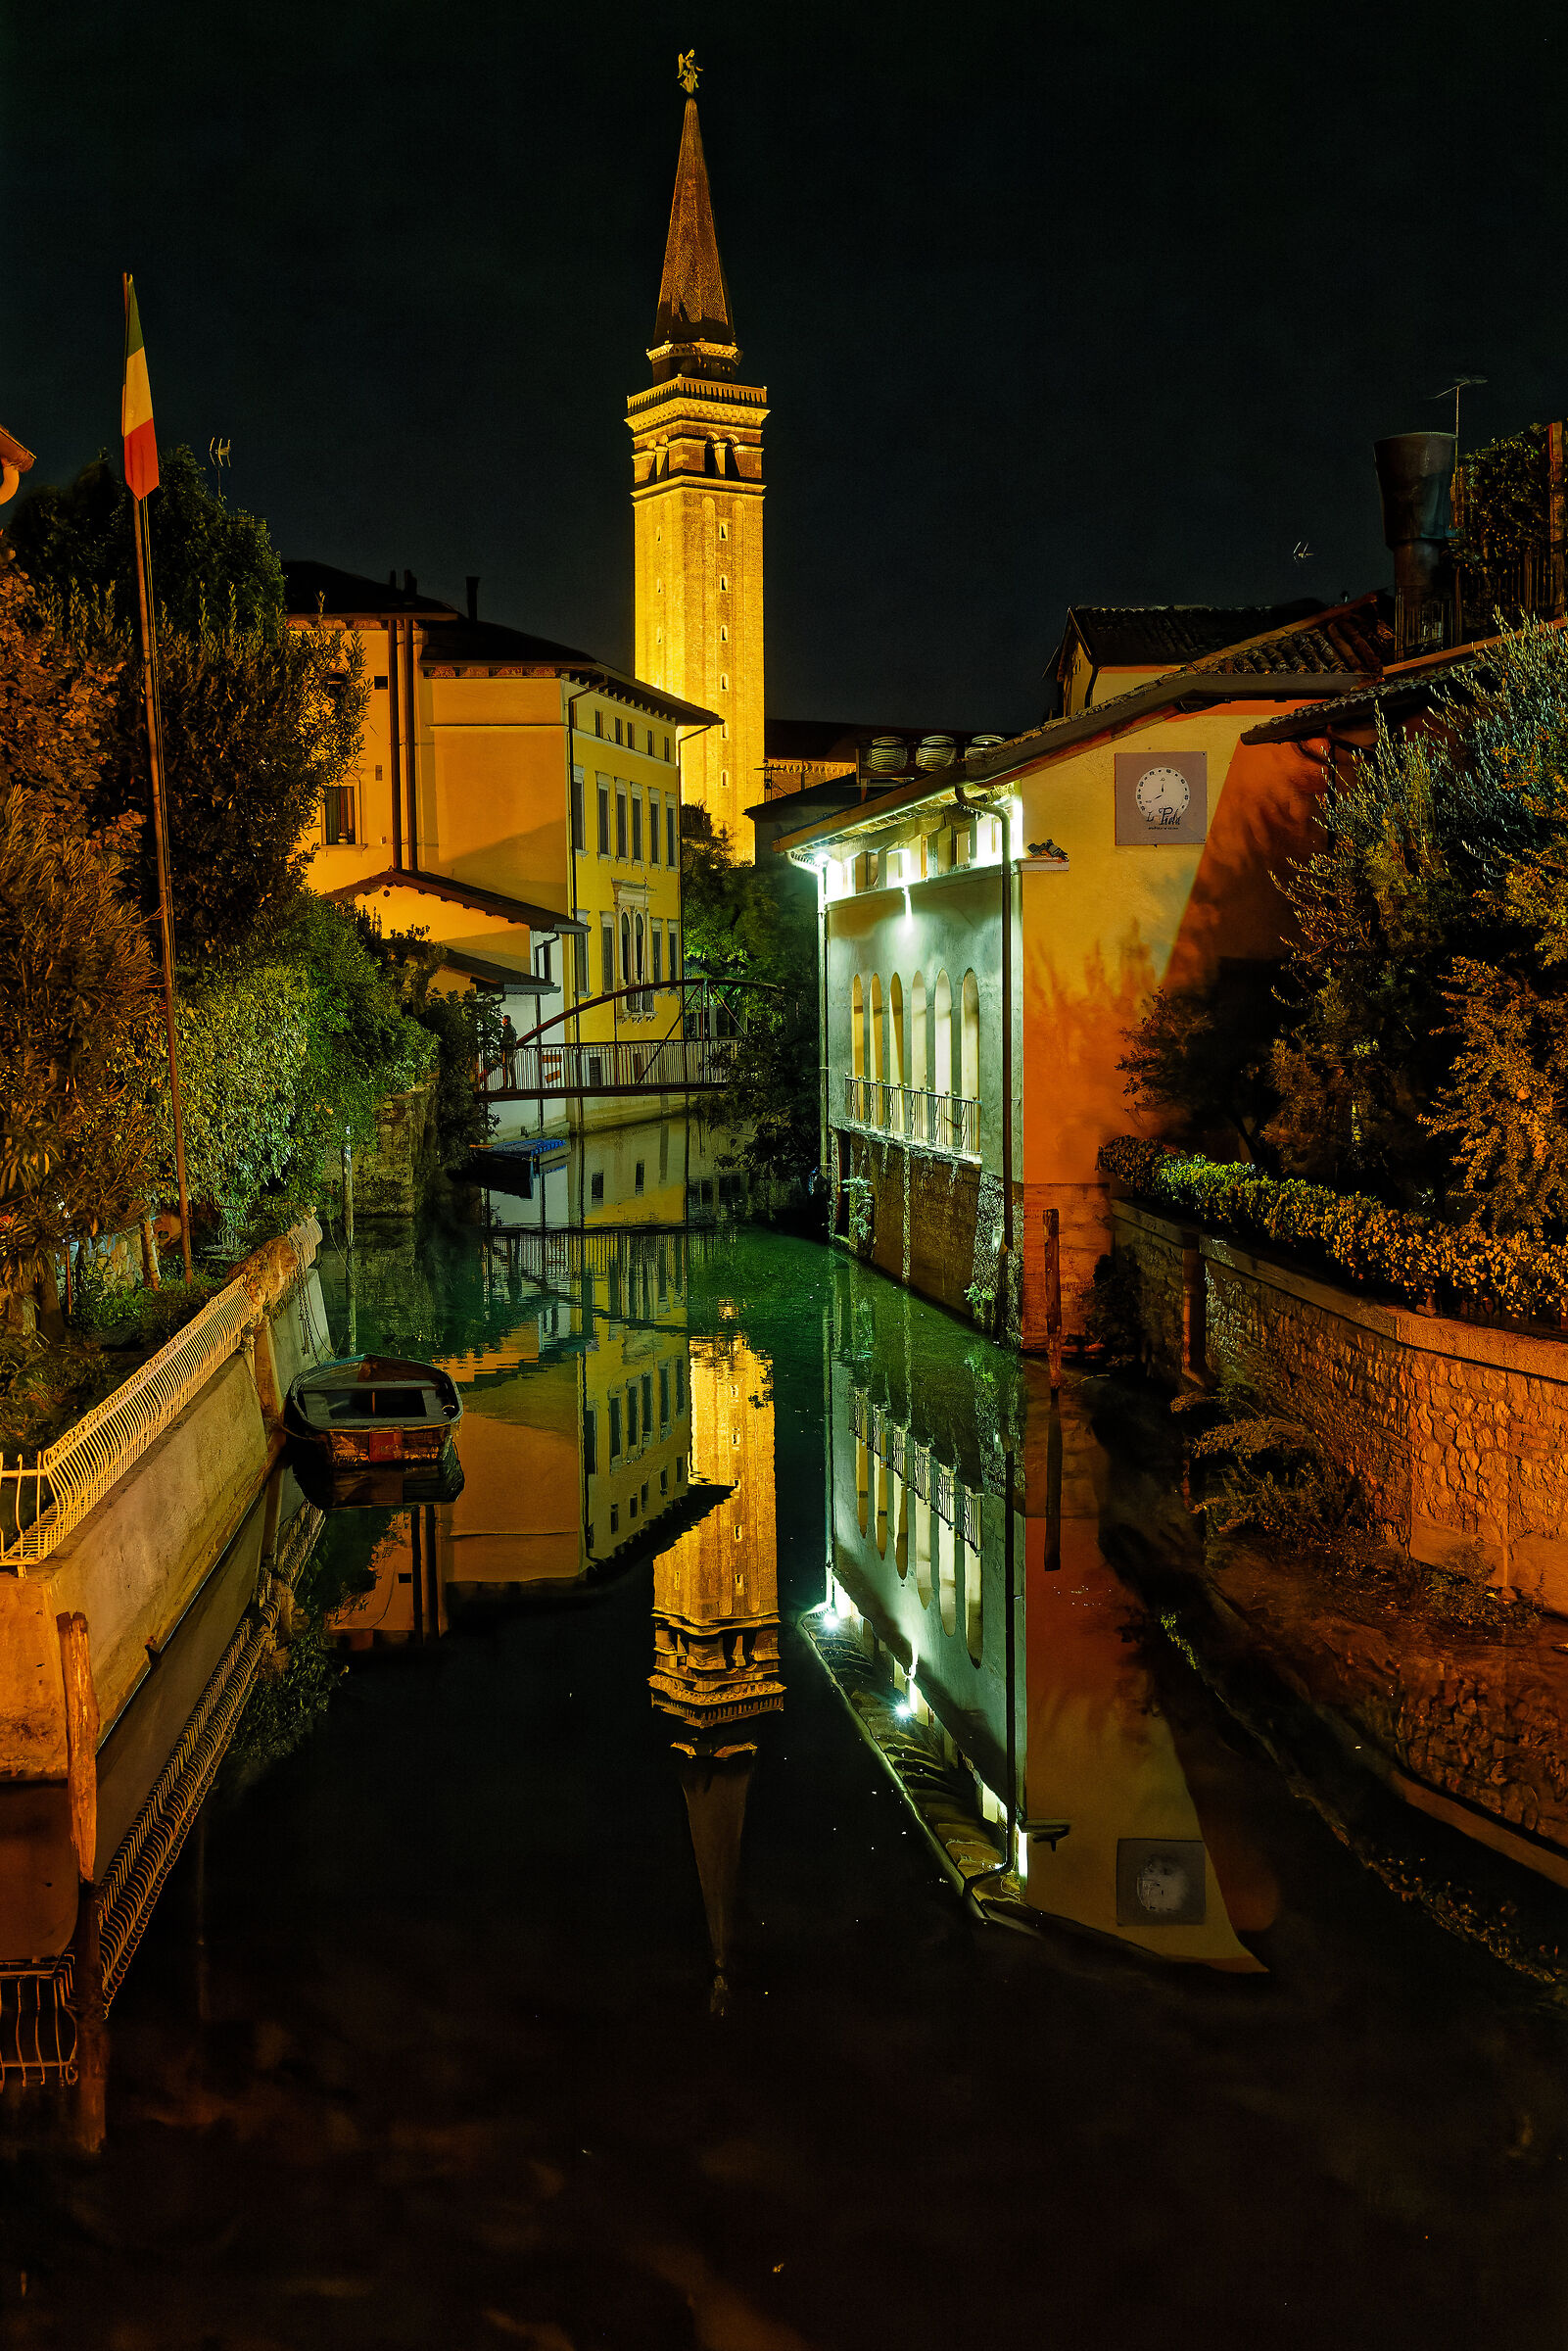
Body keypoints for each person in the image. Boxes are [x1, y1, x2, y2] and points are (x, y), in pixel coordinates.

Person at [499, 1013, 517, 1088]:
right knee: (511, 1068)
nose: (502, 1021)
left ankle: (506, 1085)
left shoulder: (508, 1028)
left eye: (503, 1019)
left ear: (506, 1020)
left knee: (506, 1067)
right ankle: (513, 1084)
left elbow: (507, 1040)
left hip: (509, 1050)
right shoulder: (511, 1028)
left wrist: (502, 1044)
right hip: (512, 1050)